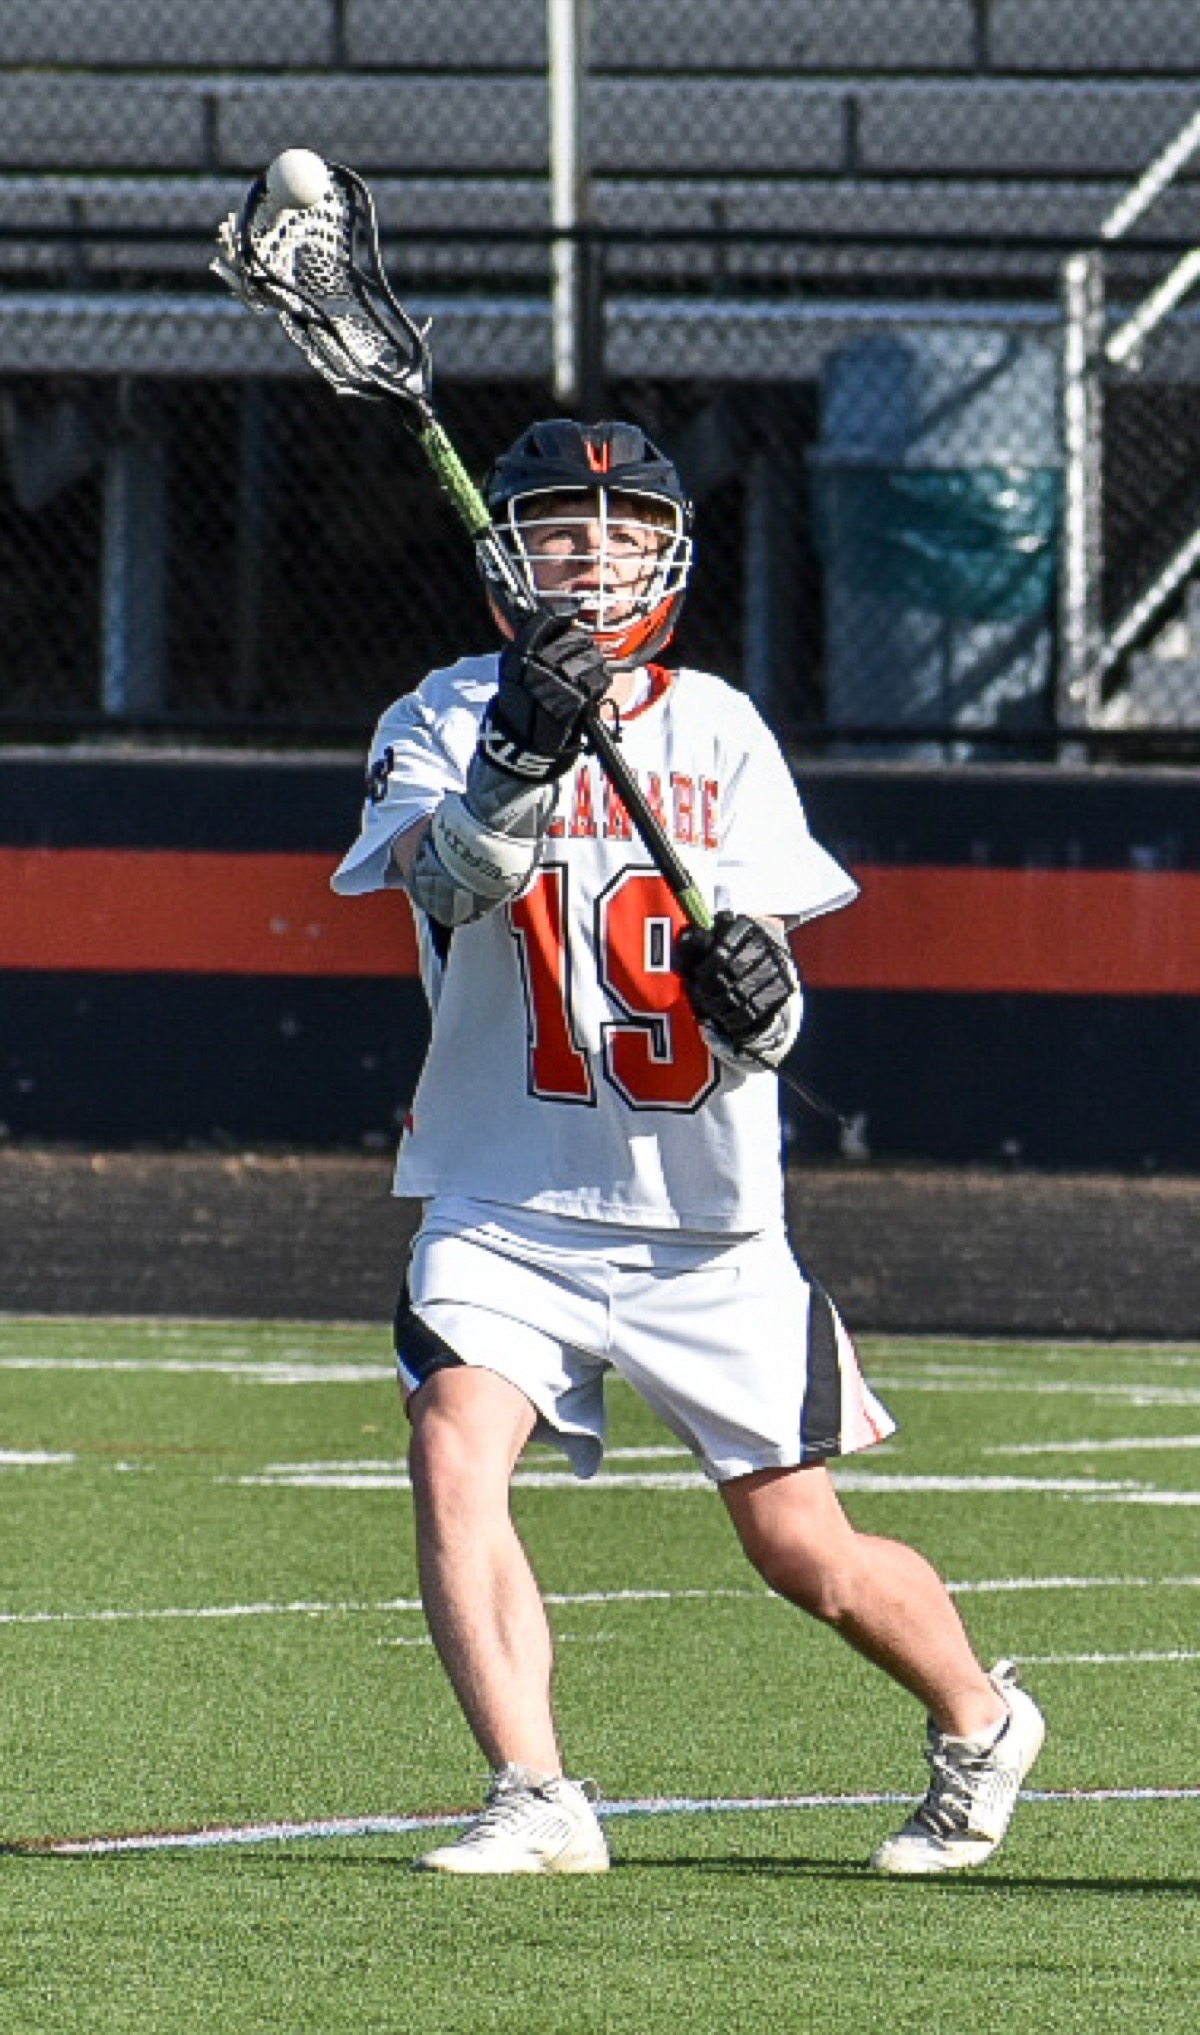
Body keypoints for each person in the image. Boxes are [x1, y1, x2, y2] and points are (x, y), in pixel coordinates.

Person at [332, 417, 1045, 1877]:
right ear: (506, 554)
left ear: (671, 558)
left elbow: (767, 1003)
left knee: (804, 1549)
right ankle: (534, 1794)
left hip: (703, 1226)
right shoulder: (442, 712)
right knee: (453, 1449)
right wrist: (518, 753)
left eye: (624, 532)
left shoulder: (719, 728)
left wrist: (762, 1002)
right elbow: (451, 885)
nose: (592, 557)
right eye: (559, 529)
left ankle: (980, 1720)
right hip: (504, 1196)